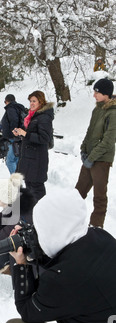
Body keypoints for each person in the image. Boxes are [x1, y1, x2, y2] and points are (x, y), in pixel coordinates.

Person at [2, 188, 116, 323]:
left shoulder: (63, 278)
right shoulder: (102, 237)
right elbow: (68, 264)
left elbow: (28, 310)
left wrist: (20, 264)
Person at [75, 78, 116, 228]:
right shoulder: (97, 109)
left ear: (106, 94)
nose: (94, 95)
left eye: (97, 92)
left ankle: (96, 227)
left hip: (102, 160)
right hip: (90, 157)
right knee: (78, 193)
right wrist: (83, 149)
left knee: (99, 197)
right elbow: (90, 132)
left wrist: (91, 157)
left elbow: (109, 141)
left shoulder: (113, 113)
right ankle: (71, 221)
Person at [0, 173, 36, 276]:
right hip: (25, 245)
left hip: (31, 254)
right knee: (5, 238)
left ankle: (11, 270)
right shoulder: (15, 204)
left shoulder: (19, 216)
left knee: (4, 242)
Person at [13, 91, 54, 202]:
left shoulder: (44, 117)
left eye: (34, 101)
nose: (31, 103)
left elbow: (44, 138)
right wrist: (21, 133)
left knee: (36, 189)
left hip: (37, 159)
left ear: (41, 101)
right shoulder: (33, 116)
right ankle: (33, 215)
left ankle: (41, 215)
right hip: (30, 158)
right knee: (30, 188)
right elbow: (31, 136)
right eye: (30, 101)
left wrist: (25, 134)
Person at [1, 94, 26, 174]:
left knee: (10, 161)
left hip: (13, 138)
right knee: (16, 159)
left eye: (5, 102)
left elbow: (14, 120)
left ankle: (16, 180)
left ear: (7, 101)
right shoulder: (19, 108)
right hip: (19, 137)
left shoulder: (11, 108)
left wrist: (13, 131)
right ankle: (18, 178)